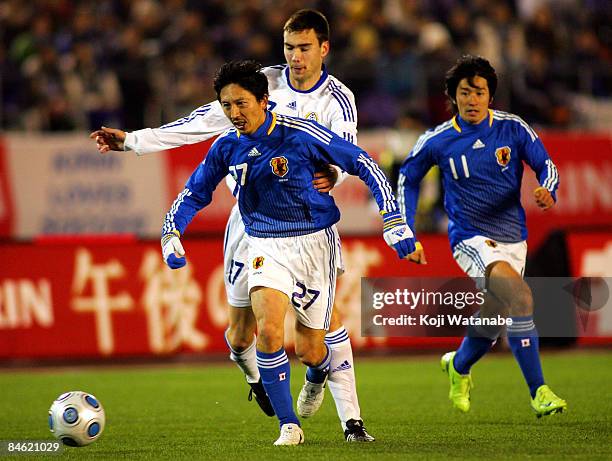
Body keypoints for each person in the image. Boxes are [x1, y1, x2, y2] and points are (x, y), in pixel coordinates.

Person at [90, 9, 374, 441]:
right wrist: (133, 141)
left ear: (323, 49)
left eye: (304, 48)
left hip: (305, 219)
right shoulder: (259, 85)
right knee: (243, 332)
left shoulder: (338, 99)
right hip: (250, 222)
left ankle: (349, 417)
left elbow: (347, 154)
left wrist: (335, 176)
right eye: (289, 48)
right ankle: (257, 378)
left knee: (322, 328)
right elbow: (197, 124)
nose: (295, 57)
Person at [161, 60, 415, 445]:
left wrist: (393, 221)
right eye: (226, 106)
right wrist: (172, 232)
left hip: (315, 244)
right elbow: (194, 192)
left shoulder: (302, 134)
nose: (234, 114)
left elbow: (365, 163)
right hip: (265, 244)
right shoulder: (226, 145)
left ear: (265, 100)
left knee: (313, 349)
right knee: (269, 332)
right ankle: (289, 425)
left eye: (241, 104)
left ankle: (317, 375)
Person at [398, 55, 567, 417]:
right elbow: (408, 177)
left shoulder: (512, 128)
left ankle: (458, 366)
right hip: (470, 237)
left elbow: (546, 164)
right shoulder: (438, 139)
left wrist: (547, 188)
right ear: (452, 96)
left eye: (479, 92)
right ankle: (539, 392)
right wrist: (406, 228)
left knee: (495, 313)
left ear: (491, 96)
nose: (472, 99)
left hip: (513, 236)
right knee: (520, 297)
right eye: (464, 92)